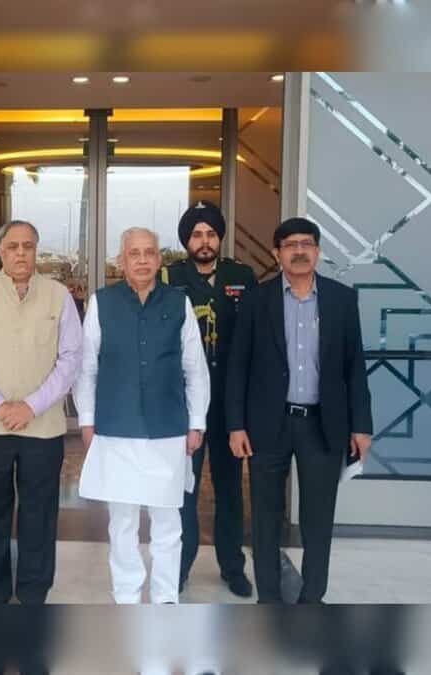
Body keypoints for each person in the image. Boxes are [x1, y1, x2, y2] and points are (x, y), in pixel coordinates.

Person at [226, 217, 373, 604]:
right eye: (290, 244)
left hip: (323, 426)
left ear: (318, 251)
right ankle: (269, 600)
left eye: (307, 243)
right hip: (267, 426)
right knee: (265, 518)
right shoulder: (257, 300)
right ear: (277, 254)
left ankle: (312, 601)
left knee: (318, 519)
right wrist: (236, 425)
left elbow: (354, 367)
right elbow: (238, 364)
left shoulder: (342, 300)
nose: (299, 250)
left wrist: (362, 425)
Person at [0, 220, 82, 604]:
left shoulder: (58, 296)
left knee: (39, 515)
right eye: (12, 246)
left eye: (28, 246)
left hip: (43, 428)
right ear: (0, 251)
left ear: (36, 250)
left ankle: (33, 592)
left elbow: (71, 359)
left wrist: (32, 406)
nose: (21, 253)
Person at [75, 227, 209, 604]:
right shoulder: (102, 302)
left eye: (150, 252)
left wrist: (196, 423)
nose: (143, 260)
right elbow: (86, 368)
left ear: (159, 259)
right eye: (134, 253)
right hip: (116, 429)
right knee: (123, 523)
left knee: (168, 523)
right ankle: (127, 598)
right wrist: (86, 419)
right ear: (122, 260)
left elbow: (195, 369)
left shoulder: (178, 303)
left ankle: (166, 599)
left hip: (168, 430)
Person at [160, 201, 257, 598]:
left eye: (211, 234)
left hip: (230, 401)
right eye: (197, 234)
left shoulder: (241, 275)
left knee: (231, 488)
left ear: (219, 238)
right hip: (185, 402)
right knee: (184, 486)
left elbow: (251, 336)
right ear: (187, 240)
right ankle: (179, 566)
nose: (205, 241)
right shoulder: (171, 276)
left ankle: (232, 566)